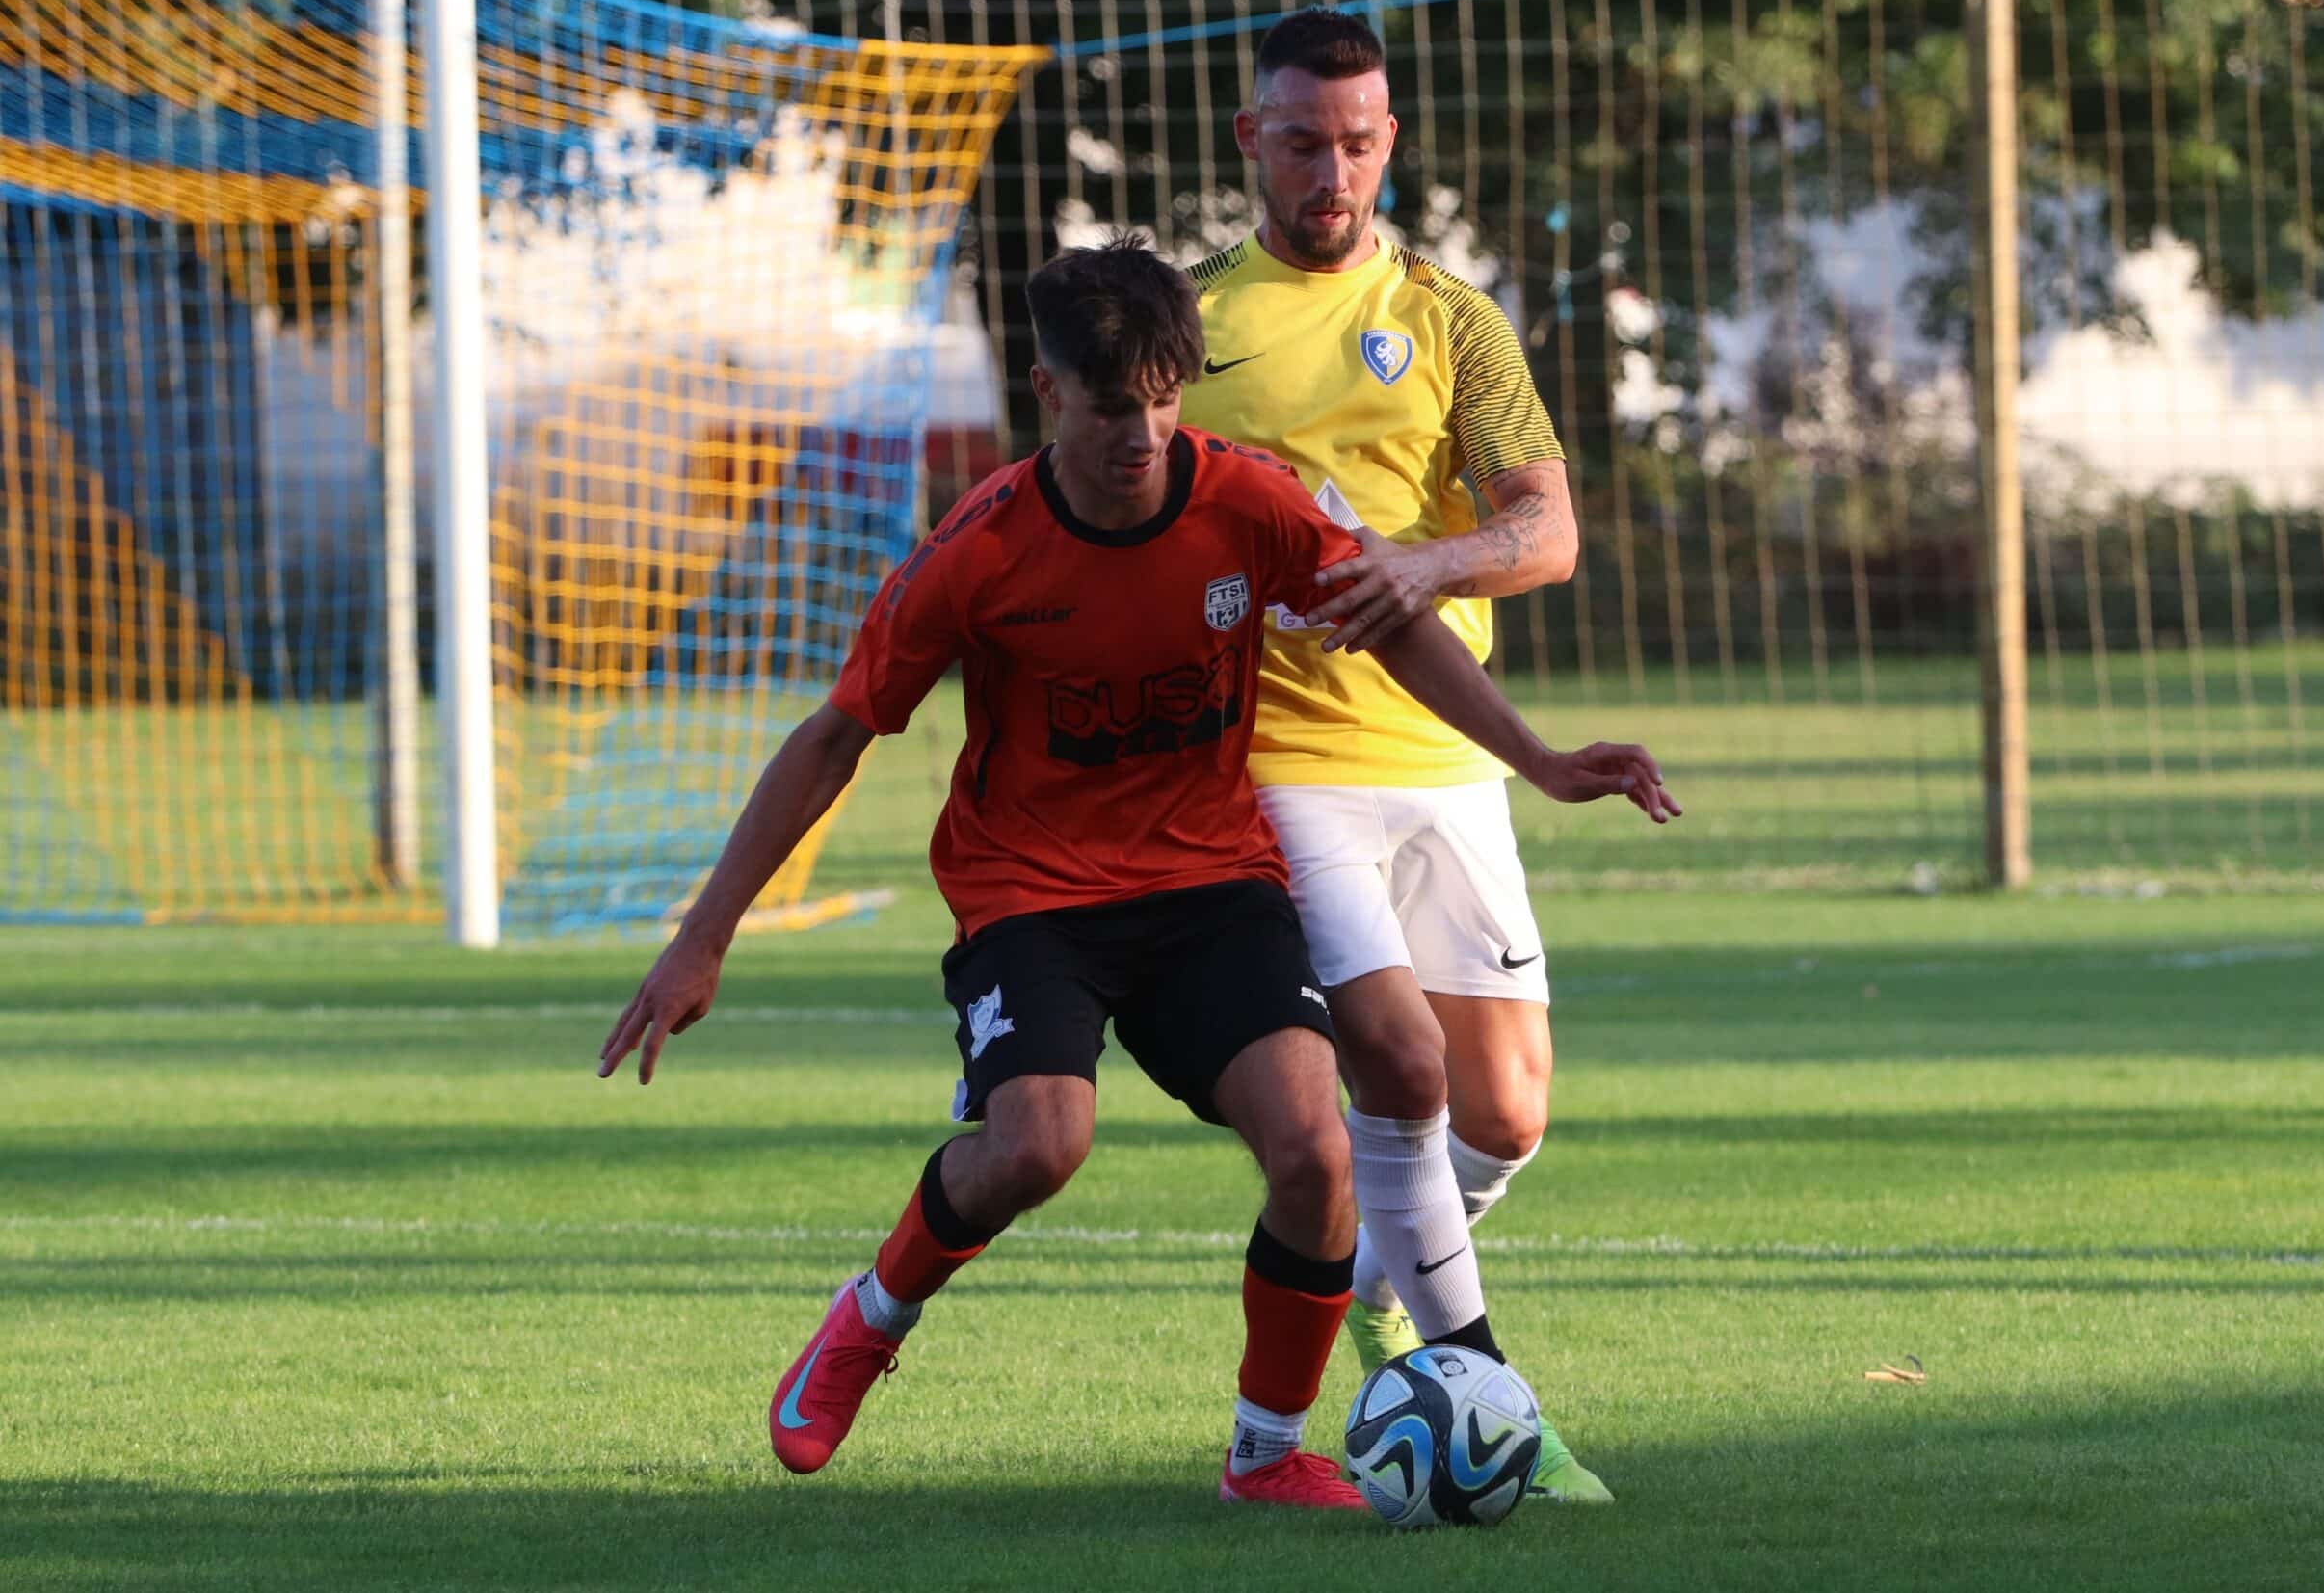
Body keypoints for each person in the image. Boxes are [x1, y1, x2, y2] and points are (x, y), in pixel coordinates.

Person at [594, 237, 1675, 1507]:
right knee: (1039, 1145)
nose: (1144, 433)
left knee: (1316, 1154)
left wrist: (1539, 759)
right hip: (1032, 896)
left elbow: (1394, 626)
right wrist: (705, 935)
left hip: (1212, 884)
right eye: (1113, 407)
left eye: (1165, 399)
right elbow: (836, 732)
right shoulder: (983, 548)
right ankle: (873, 1313)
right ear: (1049, 393)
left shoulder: (1250, 501)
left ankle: (1264, 1456)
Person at [1184, 6, 1665, 1502]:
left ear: (1388, 142)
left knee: (1505, 1111)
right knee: (1396, 1067)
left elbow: (1549, 530)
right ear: (1252, 141)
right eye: (1302, 142)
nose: (1331, 171)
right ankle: (1488, 1391)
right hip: (1282, 767)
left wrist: (1427, 562)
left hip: (1447, 753)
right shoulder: (1189, 325)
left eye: (1357, 143)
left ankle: (1382, 1275)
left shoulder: (1454, 320)